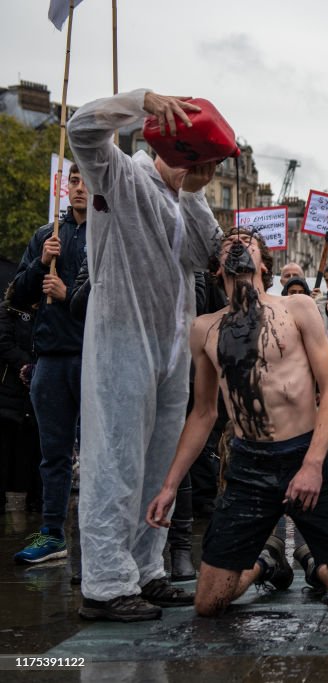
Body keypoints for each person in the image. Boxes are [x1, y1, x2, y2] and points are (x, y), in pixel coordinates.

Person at [146, 229, 328, 616]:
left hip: (305, 457)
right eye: (227, 242)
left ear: (263, 264)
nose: (236, 243)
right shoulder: (204, 329)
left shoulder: (297, 308)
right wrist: (169, 486)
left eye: (246, 240)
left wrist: (314, 465)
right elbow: (204, 414)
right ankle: (268, 562)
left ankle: (312, 564)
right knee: (208, 603)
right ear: (218, 268)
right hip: (249, 466)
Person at [67, 90, 221, 620]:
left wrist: (195, 191)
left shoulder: (183, 200)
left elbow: (207, 254)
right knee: (115, 460)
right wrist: (141, 101)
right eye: (196, 160)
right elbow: (81, 128)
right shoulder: (121, 175)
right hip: (121, 341)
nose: (201, 170)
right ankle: (106, 585)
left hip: (171, 348)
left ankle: (145, 569)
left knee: (158, 463)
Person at [9, 163, 89, 564]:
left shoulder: (109, 236)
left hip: (92, 357)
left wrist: (68, 294)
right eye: (74, 182)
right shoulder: (47, 235)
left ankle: (95, 537)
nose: (79, 189)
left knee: (96, 453)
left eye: (87, 182)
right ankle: (53, 533)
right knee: (52, 453)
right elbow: (17, 298)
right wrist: (41, 263)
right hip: (51, 360)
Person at [0, 295, 42, 514]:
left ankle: (37, 506)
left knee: (34, 453)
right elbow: (3, 342)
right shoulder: (8, 311)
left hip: (32, 398)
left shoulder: (46, 311)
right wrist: (28, 365)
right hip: (8, 395)